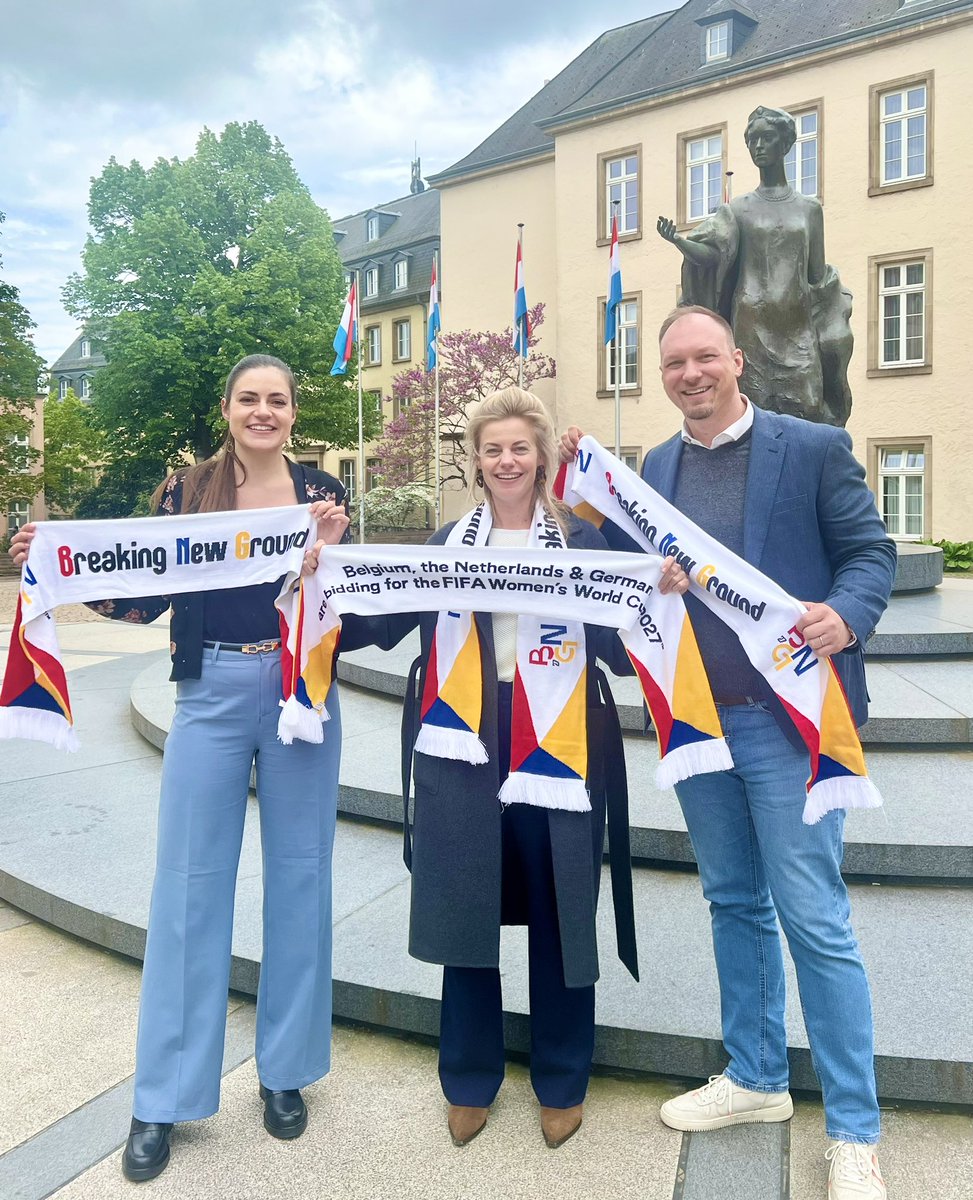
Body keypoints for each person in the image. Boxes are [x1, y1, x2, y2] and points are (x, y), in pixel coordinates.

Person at [561, 308, 896, 1200]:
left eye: (704, 356)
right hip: (699, 724)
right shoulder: (657, 470)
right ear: (659, 375)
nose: (690, 373)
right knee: (732, 903)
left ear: (736, 361)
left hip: (788, 720)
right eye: (673, 362)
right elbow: (622, 569)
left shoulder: (813, 446)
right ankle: (755, 1079)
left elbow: (870, 552)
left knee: (814, 920)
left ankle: (855, 1132)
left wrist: (846, 615)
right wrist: (582, 498)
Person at [11, 354, 352, 1182]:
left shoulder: (325, 500)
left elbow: (359, 614)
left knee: (301, 878)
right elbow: (138, 594)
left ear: (292, 413)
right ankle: (163, 1093)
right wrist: (53, 561)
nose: (263, 411)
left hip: (300, 693)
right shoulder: (187, 491)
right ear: (226, 408)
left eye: (277, 400)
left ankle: (286, 1072)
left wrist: (331, 566)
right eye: (249, 399)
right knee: (189, 886)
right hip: (211, 692)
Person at [330, 386, 687, 1151]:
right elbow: (383, 619)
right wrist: (318, 588)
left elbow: (623, 653)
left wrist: (654, 595)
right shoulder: (446, 542)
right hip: (465, 737)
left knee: (562, 903)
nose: (506, 460)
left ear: (542, 453)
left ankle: (560, 1076)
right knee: (464, 901)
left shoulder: (583, 546)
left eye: (519, 447)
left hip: (561, 734)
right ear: (476, 459)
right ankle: (468, 1076)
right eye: (492, 449)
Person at [657, 105, 853, 426]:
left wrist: (833, 327)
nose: (759, 146)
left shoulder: (809, 210)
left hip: (797, 329)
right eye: (753, 140)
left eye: (768, 138)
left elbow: (816, 278)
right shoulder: (738, 210)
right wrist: (680, 242)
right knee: (753, 424)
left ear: (786, 144)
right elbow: (712, 256)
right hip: (750, 331)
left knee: (809, 413)